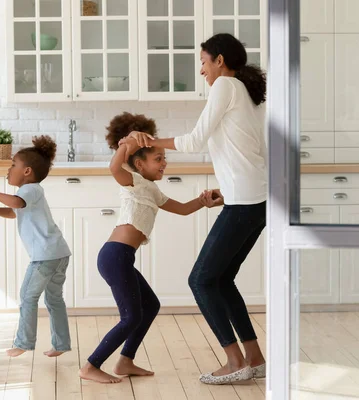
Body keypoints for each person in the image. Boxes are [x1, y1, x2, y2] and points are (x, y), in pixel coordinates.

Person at [121, 33, 267, 384]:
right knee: (221, 278)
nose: (201, 70)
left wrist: (148, 140)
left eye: (203, 61)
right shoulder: (244, 93)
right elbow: (248, 149)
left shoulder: (226, 86)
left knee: (200, 280)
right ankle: (254, 357)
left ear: (219, 60)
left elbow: (193, 141)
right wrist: (230, 188)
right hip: (253, 199)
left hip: (245, 202)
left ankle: (234, 362)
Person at [78, 112, 221, 384]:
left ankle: (125, 361)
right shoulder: (132, 180)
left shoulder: (152, 190)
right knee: (130, 316)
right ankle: (90, 365)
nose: (164, 163)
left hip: (122, 257)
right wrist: (127, 143)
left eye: (164, 158)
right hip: (114, 256)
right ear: (139, 165)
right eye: (158, 159)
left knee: (150, 305)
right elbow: (114, 168)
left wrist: (204, 201)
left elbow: (181, 209)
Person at [0, 136, 72, 358]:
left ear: (26, 171)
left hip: (45, 257)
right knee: (54, 299)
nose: (9, 170)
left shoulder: (30, 190)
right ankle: (61, 344)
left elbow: (16, 203)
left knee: (28, 297)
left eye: (13, 165)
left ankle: (24, 343)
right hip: (59, 253)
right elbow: (13, 211)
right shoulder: (30, 193)